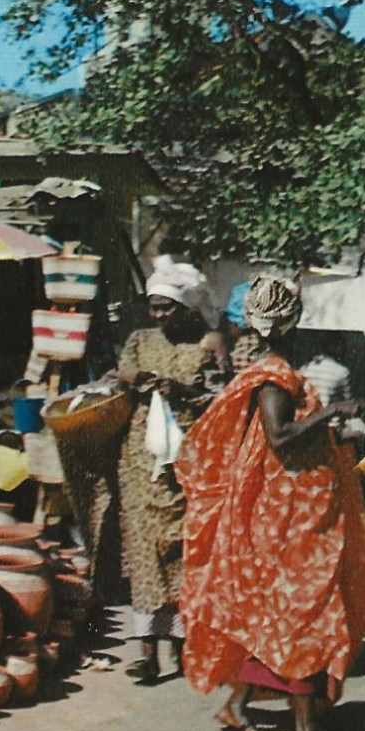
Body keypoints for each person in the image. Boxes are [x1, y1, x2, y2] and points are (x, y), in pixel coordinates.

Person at [175, 276, 365, 731]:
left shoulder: (269, 369)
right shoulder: (275, 377)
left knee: (276, 610)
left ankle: (238, 706)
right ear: (292, 321)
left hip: (284, 508)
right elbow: (281, 436)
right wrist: (332, 411)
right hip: (287, 517)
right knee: (304, 611)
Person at [114, 257, 231, 685]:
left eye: (167, 308)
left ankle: (184, 650)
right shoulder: (140, 339)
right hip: (142, 461)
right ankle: (147, 653)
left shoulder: (210, 341)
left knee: (184, 552)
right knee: (145, 553)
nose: (159, 315)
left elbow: (225, 396)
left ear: (186, 308)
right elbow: (121, 373)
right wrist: (136, 378)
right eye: (155, 307)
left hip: (190, 459)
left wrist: (183, 390)